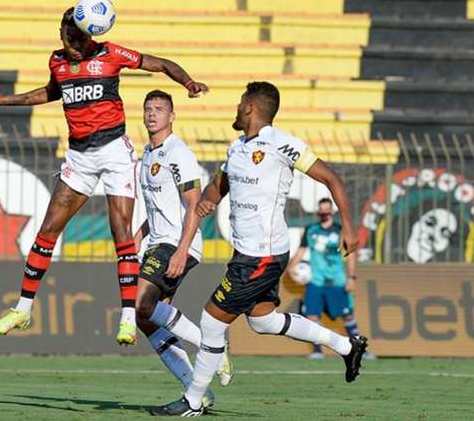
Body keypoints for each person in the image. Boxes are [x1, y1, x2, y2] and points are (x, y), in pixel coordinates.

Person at [0, 7, 209, 345]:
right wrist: (4, 100)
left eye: (77, 37)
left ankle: (128, 317)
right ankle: (23, 309)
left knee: (121, 235)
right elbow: (52, 92)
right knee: (47, 231)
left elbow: (159, 63)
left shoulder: (111, 53)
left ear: (89, 34)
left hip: (114, 151)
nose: (71, 42)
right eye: (66, 35)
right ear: (60, 32)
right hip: (79, 155)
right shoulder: (57, 61)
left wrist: (186, 80)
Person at [151, 82, 368, 416]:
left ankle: (193, 401)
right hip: (248, 253)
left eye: (240, 102)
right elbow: (217, 186)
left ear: (250, 106)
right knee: (263, 322)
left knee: (211, 322)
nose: (237, 107)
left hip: (262, 255)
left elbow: (332, 179)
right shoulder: (237, 148)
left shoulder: (282, 144)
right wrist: (208, 200)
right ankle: (346, 345)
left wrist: (350, 227)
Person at [132, 90, 232, 408]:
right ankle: (196, 391)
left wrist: (181, 249)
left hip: (175, 244)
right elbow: (160, 207)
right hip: (157, 242)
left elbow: (193, 204)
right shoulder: (148, 153)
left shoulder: (179, 153)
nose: (152, 114)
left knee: (139, 304)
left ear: (172, 116)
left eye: (160, 109)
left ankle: (213, 346)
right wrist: (139, 235)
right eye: (148, 108)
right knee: (147, 320)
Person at [286, 198, 371, 359]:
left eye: (327, 210)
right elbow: (302, 250)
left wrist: (351, 277)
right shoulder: (311, 230)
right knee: (311, 316)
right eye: (321, 211)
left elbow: (351, 256)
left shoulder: (341, 230)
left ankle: (360, 350)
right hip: (316, 281)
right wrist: (291, 267)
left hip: (337, 281)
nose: (324, 214)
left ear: (332, 211)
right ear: (318, 212)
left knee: (347, 315)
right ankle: (317, 351)